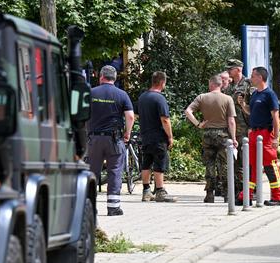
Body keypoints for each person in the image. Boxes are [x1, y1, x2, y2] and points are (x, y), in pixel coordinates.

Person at [86, 65, 135, 216]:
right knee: (114, 171)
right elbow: (130, 116)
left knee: (92, 172)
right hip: (115, 139)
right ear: (114, 78)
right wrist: (127, 133)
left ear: (101, 77)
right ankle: (113, 208)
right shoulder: (122, 95)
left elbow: (81, 115)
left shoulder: (91, 93)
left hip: (94, 138)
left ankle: (89, 207)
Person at [236, 66, 280, 206]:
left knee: (270, 165)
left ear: (260, 77)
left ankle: (279, 197)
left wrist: (275, 137)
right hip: (254, 133)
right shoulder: (255, 94)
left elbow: (275, 117)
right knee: (251, 165)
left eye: (253, 76)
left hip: (266, 133)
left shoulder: (269, 94)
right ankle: (246, 195)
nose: (251, 78)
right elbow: (251, 112)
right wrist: (242, 104)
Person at [185, 75, 237, 203]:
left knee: (209, 164)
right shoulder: (227, 99)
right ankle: (227, 194)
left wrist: (198, 124)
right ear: (220, 84)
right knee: (224, 165)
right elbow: (231, 121)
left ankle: (209, 193)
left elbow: (188, 111)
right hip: (223, 134)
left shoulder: (202, 97)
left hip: (207, 134)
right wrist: (234, 138)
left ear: (212, 84)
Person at [137, 71, 177, 202]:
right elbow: (165, 120)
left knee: (146, 162)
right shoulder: (159, 98)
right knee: (160, 162)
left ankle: (146, 191)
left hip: (145, 136)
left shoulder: (142, 97)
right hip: (158, 137)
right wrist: (170, 136)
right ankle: (160, 191)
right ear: (162, 83)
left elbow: (138, 115)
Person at [224, 59, 253, 196]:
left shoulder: (248, 84)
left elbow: (254, 107)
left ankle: (249, 190)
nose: (228, 71)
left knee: (246, 160)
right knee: (235, 162)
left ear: (238, 69)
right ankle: (238, 190)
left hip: (245, 128)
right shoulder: (229, 86)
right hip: (231, 128)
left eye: (230, 69)